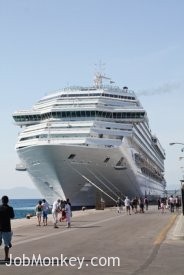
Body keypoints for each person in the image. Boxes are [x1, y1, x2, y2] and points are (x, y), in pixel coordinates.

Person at [0, 195, 15, 261]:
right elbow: (12, 216)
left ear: (1, 200)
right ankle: (6, 257)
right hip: (6, 227)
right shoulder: (10, 208)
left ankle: (8, 242)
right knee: (6, 244)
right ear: (8, 201)